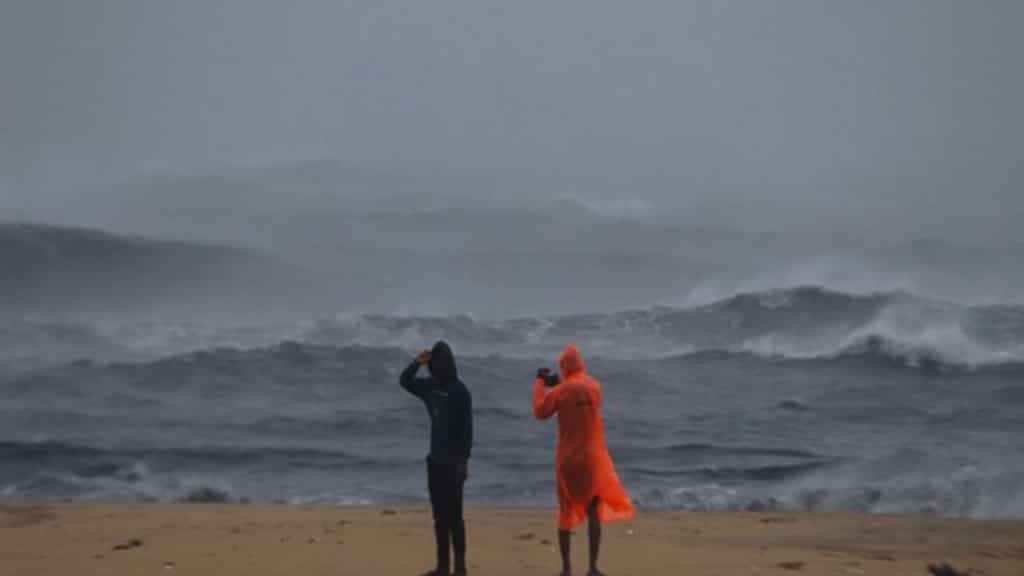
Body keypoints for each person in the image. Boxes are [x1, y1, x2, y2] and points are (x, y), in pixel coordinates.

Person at [533, 343, 634, 576]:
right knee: (593, 511)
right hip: (591, 459)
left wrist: (540, 384)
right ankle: (592, 567)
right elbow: (578, 394)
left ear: (564, 366)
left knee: (564, 512)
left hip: (568, 460)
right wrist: (561, 384)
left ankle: (566, 568)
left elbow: (540, 411)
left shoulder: (560, 391)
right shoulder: (595, 387)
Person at [400, 340, 474, 576]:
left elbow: (467, 431)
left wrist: (463, 462)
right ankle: (443, 567)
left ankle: (460, 568)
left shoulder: (460, 392)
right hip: (435, 462)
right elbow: (405, 381)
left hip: (453, 464)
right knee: (440, 517)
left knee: (454, 517)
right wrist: (416, 362)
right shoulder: (430, 387)